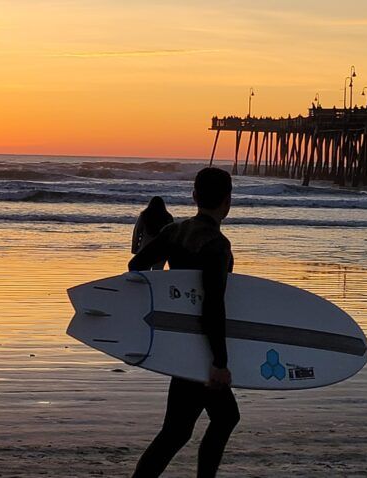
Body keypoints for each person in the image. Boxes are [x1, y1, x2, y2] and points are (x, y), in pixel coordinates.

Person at [129, 167, 238, 478]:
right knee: (213, 421)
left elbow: (136, 264)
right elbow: (213, 304)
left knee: (179, 430)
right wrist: (219, 362)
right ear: (228, 201)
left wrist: (169, 295)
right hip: (201, 347)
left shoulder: (173, 231)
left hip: (179, 340)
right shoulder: (217, 245)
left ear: (194, 196)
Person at [131, 196, 174, 270]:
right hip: (161, 249)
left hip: (145, 248)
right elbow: (172, 235)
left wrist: (134, 248)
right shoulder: (168, 217)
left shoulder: (144, 215)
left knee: (145, 271)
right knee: (157, 272)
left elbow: (137, 232)